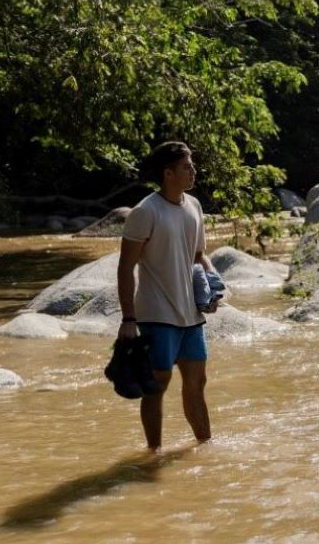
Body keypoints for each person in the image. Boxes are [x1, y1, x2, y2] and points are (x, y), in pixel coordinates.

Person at [117, 141, 220, 451]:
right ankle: (154, 454)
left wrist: (214, 286)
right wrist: (128, 319)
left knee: (197, 384)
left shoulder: (194, 206)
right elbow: (125, 269)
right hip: (156, 315)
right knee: (157, 387)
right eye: (187, 167)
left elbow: (200, 255)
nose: (193, 171)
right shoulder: (144, 212)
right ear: (168, 173)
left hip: (191, 315)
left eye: (192, 166)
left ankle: (205, 447)